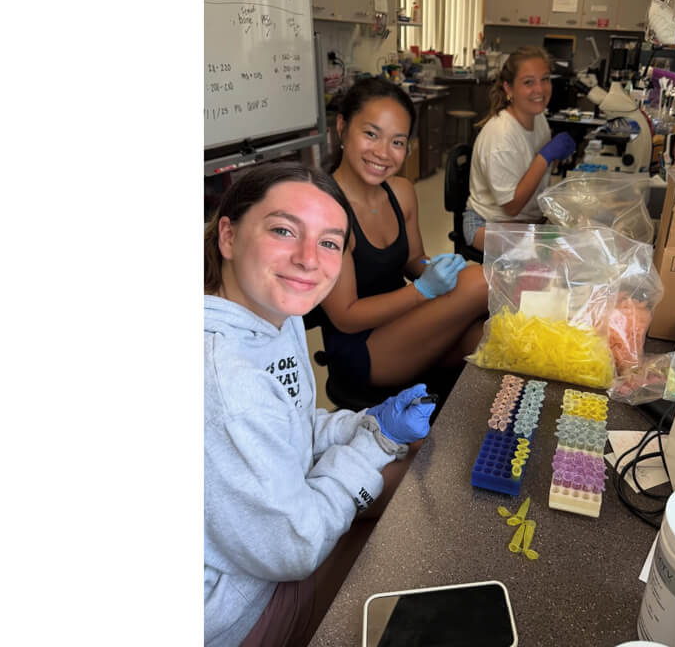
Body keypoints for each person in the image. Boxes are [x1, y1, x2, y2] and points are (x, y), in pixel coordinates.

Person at [204, 163, 437, 647]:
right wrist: (378, 443)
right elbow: (296, 546)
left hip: (268, 535)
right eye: (284, 231)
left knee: (410, 462)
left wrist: (366, 424)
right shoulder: (227, 384)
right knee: (411, 519)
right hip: (234, 613)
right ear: (228, 235)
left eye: (329, 242)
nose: (308, 259)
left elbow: (291, 422)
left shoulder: (276, 313)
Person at [313, 77, 489, 392]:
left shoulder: (401, 192)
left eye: (397, 142)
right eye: (371, 134)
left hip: (404, 321)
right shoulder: (325, 210)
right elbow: (346, 317)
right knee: (481, 281)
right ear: (341, 127)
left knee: (491, 338)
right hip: (361, 350)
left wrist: (436, 270)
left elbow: (412, 259)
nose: (383, 153)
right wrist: (422, 291)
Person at [463, 45, 578, 252]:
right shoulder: (500, 136)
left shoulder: (538, 118)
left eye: (545, 79)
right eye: (528, 82)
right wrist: (544, 157)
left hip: (526, 220)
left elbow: (536, 178)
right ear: (509, 88)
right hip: (488, 224)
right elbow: (512, 207)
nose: (540, 89)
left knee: (580, 237)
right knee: (557, 255)